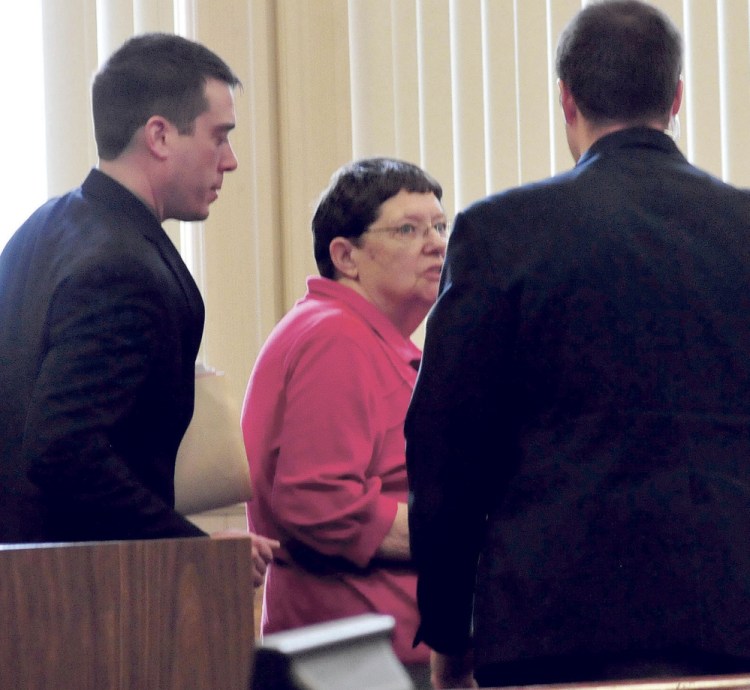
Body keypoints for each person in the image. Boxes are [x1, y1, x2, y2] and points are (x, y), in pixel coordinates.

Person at [405, 1, 750, 688]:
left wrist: (448, 631)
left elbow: (445, 449)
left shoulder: (500, 233)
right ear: (677, 97)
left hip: (550, 630)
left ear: (566, 98)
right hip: (732, 621)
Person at [0, 32, 277, 584]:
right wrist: (192, 548)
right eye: (219, 136)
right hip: (86, 603)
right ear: (159, 135)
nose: (232, 161)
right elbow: (64, 450)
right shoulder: (121, 268)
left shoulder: (43, 229)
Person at [241, 157, 447, 687]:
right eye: (408, 229)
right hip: (355, 659)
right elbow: (317, 501)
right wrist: (457, 530)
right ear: (345, 256)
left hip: (373, 649)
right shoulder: (335, 337)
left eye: (439, 226)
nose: (436, 244)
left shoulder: (356, 337)